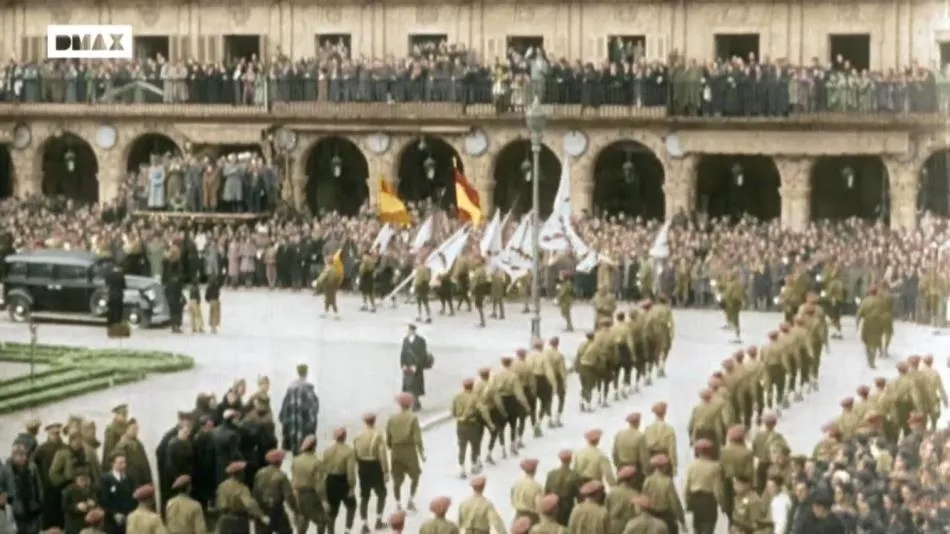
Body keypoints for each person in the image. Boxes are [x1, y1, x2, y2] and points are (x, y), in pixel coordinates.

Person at [277, 364, 319, 455]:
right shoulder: (308, 390)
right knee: (305, 455)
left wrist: (286, 428)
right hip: (305, 431)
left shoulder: (290, 390)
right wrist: (312, 430)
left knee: (295, 457)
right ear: (306, 373)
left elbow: (283, 414)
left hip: (292, 433)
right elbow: (313, 411)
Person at [97, 454, 135, 534]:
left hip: (128, 517)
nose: (124, 465)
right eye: (120, 463)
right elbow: (104, 499)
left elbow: (133, 497)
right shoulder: (105, 479)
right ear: (113, 464)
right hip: (112, 519)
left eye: (124, 462)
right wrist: (114, 513)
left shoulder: (129, 478)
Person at [399, 323, 431, 411]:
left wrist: (416, 366)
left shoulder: (421, 341)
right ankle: (415, 403)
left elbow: (422, 355)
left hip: (417, 367)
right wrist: (403, 365)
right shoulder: (405, 340)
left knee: (415, 386)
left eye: (409, 330)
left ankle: (415, 403)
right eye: (407, 330)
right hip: (407, 366)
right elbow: (403, 353)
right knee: (408, 385)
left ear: (413, 331)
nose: (408, 332)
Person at [105, 264, 127, 337]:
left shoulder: (109, 275)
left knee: (111, 311)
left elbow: (106, 284)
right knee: (118, 312)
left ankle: (109, 325)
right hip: (119, 295)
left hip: (111, 295)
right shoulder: (121, 276)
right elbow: (124, 286)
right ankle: (117, 326)